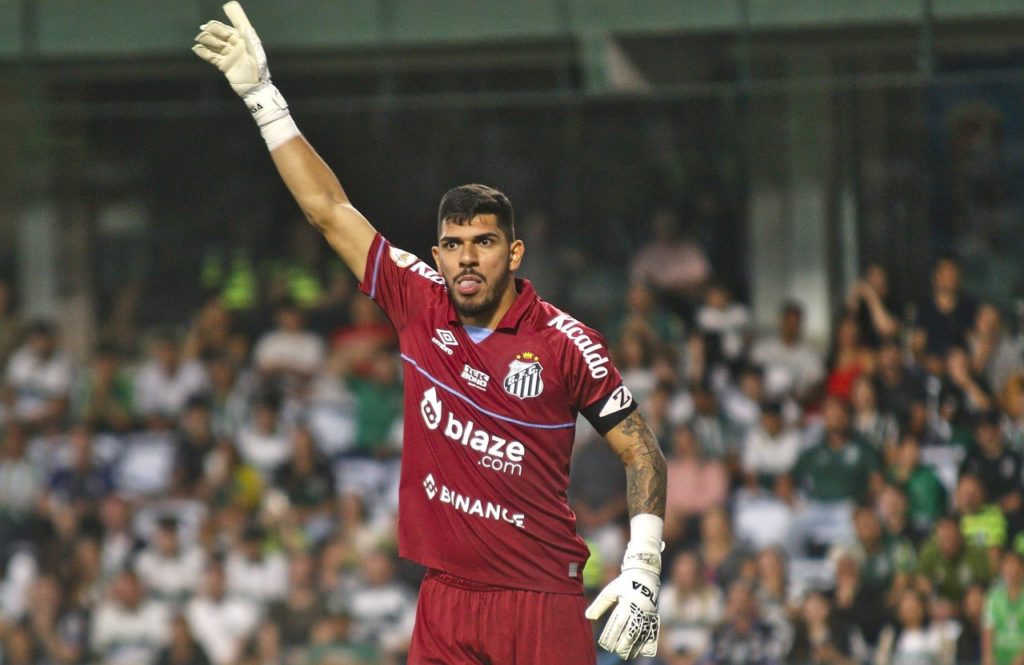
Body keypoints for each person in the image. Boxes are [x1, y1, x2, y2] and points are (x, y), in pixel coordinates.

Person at [192, 5, 668, 663]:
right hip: (444, 597)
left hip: (539, 599)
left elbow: (641, 450)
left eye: (484, 243)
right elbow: (329, 211)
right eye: (453, 244)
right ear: (437, 254)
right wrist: (260, 95)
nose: (467, 258)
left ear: (515, 252)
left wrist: (644, 567)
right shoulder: (416, 300)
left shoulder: (567, 342)